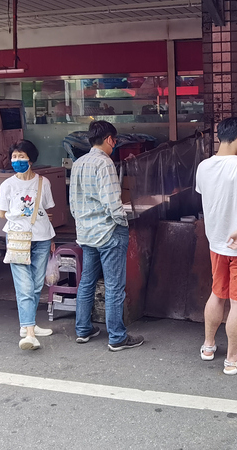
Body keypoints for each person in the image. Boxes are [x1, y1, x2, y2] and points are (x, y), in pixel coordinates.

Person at [196, 117, 237, 375]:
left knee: (217, 294)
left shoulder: (203, 167)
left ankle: (208, 346)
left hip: (217, 244)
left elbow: (211, 199)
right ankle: (233, 360)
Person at [69, 121, 144, 351]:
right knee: (114, 286)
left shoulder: (78, 163)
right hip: (108, 232)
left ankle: (83, 330)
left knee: (86, 282)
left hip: (86, 233)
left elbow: (73, 203)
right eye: (115, 141)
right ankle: (117, 337)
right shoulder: (105, 163)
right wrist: (124, 222)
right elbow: (113, 203)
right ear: (110, 139)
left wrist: (82, 224)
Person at [0, 140, 56, 351]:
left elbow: (48, 210)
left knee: (37, 284)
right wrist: (21, 213)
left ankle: (28, 323)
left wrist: (51, 238)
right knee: (25, 286)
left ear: (31, 159)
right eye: (14, 157)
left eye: (21, 157)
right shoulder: (7, 185)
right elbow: (2, 213)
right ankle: (29, 334)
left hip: (41, 237)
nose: (17, 161)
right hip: (17, 238)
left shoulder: (43, 183)